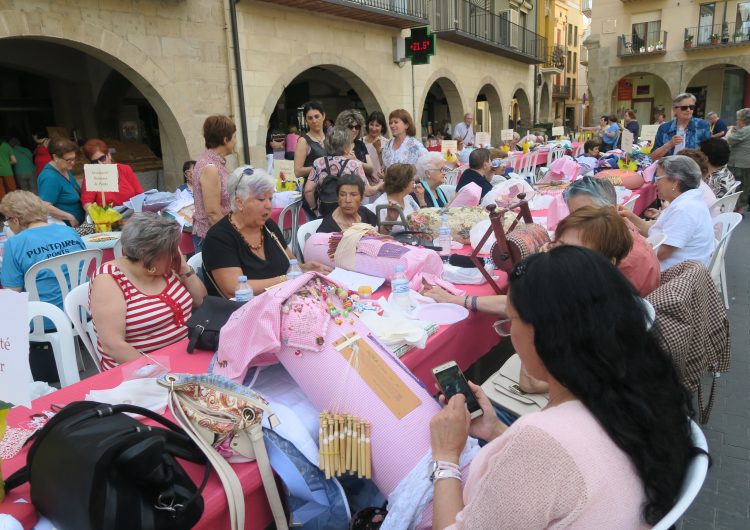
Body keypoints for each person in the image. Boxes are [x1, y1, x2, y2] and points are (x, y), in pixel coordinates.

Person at [428, 246, 696, 529]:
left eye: (512, 319)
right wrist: (494, 430)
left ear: (546, 333)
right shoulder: (634, 391)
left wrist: (445, 456)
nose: (510, 332)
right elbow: (562, 471)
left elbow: (551, 457)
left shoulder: (541, 441)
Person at [89, 213, 206, 371]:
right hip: (139, 372)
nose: (176, 255)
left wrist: (184, 269)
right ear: (148, 255)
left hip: (186, 356)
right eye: (171, 251)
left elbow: (201, 301)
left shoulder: (167, 268)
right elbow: (113, 345)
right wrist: (160, 371)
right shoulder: (109, 279)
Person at [202, 167, 331, 298]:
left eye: (270, 198)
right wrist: (286, 279)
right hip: (242, 312)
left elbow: (291, 262)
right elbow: (234, 288)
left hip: (281, 301)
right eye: (261, 199)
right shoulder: (218, 238)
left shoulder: (268, 226)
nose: (269, 206)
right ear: (240, 202)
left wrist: (303, 268)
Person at [620, 155, 714, 271]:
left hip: (673, 277)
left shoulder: (684, 209)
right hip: (682, 269)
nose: (655, 184)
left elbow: (660, 252)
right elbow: (655, 234)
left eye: (658, 178)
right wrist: (629, 216)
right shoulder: (688, 201)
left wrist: (631, 232)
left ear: (675, 182)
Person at [0, 190, 86, 310]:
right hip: (84, 310)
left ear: (15, 220)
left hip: (44, 320)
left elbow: (12, 293)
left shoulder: (14, 244)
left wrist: (12, 328)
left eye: (6, 220)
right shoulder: (70, 232)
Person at [304, 126, 379, 217]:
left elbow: (308, 190)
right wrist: (381, 186)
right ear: (346, 146)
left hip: (326, 214)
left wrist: (315, 208)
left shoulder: (318, 163)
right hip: (350, 215)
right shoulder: (354, 165)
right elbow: (367, 191)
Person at [191, 115, 237, 253]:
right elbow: (213, 213)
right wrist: (233, 237)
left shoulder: (214, 163)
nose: (235, 141)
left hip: (219, 234)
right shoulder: (210, 167)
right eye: (234, 137)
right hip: (214, 238)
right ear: (225, 139)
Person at [80, 139, 144, 210]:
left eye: (102, 158)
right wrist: (99, 216)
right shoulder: (91, 176)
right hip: (107, 219)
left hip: (132, 214)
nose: (100, 164)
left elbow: (140, 194)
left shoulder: (125, 169)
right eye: (95, 162)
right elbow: (87, 203)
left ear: (109, 155)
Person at [37, 138, 84, 226]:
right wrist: (69, 217)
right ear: (55, 157)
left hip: (80, 222)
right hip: (67, 226)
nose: (73, 163)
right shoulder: (49, 177)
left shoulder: (64, 168)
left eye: (74, 158)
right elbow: (45, 206)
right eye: (68, 160)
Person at [650, 93, 711, 160]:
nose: (688, 110)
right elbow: (653, 157)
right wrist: (670, 144)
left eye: (691, 107)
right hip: (669, 168)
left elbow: (708, 154)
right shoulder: (664, 128)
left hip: (693, 168)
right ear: (674, 109)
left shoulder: (702, 125)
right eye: (684, 108)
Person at [368, 163, 421, 234]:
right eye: (411, 179)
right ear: (402, 182)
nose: (414, 182)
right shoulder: (381, 205)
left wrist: (422, 200)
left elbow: (422, 221)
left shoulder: (408, 198)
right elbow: (376, 236)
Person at [294, 101, 328, 182]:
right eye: (310, 118)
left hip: (331, 188)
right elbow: (297, 171)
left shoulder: (330, 138)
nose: (314, 121)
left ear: (323, 116)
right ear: (306, 120)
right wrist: (322, 167)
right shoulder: (303, 141)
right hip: (312, 190)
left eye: (317, 116)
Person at [727, 108, 750, 211]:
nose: (736, 121)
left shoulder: (745, 130)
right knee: (745, 186)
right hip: (746, 163)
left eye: (738, 119)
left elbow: (728, 139)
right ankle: (741, 207)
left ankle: (737, 209)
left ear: (743, 120)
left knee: (737, 187)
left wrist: (730, 130)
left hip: (739, 164)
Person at [362, 111, 389, 182]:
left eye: (377, 125)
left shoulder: (387, 143)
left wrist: (378, 149)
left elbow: (387, 166)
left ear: (382, 127)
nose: (374, 128)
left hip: (381, 184)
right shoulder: (360, 142)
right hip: (364, 184)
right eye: (371, 124)